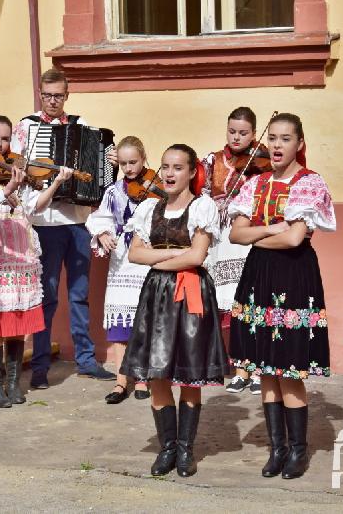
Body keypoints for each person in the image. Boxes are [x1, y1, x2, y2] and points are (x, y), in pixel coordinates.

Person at [227, 113, 335, 479]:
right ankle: (277, 449)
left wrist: (258, 233)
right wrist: (272, 228)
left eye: (285, 138)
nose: (276, 145)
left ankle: (297, 451)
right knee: (264, 369)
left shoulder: (310, 183)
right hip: (259, 274)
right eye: (272, 138)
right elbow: (234, 236)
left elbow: (294, 239)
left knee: (288, 367)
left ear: (299, 143)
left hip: (293, 273)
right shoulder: (255, 183)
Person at [121, 144, 229, 477]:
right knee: (157, 374)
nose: (169, 173)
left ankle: (185, 449)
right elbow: (135, 255)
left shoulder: (202, 207)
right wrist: (175, 254)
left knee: (189, 375)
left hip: (190, 292)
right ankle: (167, 447)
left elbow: (197, 258)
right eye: (165, 166)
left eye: (178, 167)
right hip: (157, 294)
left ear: (192, 172)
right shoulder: (149, 209)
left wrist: (161, 256)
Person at [11, 68, 116, 389]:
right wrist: (41, 174)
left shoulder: (82, 127)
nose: (53, 101)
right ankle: (40, 365)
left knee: (80, 295)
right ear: (40, 94)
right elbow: (17, 169)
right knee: (47, 296)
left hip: (79, 222)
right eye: (47, 95)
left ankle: (85, 360)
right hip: (45, 224)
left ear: (67, 95)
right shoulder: (25, 128)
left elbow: (102, 175)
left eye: (58, 95)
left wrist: (107, 163)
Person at [0, 115, 75, 408]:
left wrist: (55, 182)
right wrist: (4, 192)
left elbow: (32, 208)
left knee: (16, 320)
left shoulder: (15, 171)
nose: (0, 144)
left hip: (19, 252)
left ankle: (14, 382)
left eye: (5, 139)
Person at [201, 107, 272, 396]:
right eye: (232, 131)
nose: (237, 137)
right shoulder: (213, 161)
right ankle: (240, 369)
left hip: (249, 237)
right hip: (222, 241)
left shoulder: (262, 161)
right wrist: (211, 207)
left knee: (253, 304)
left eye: (243, 133)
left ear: (254, 133)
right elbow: (203, 192)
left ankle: (259, 369)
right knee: (231, 307)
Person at [85, 136, 154, 403]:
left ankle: (143, 378)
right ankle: (120, 382)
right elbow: (101, 217)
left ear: (144, 158)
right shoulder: (113, 191)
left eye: (133, 162)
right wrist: (102, 233)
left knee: (143, 323)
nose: (128, 168)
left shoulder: (155, 188)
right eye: (123, 163)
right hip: (120, 262)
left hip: (144, 259)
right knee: (119, 328)